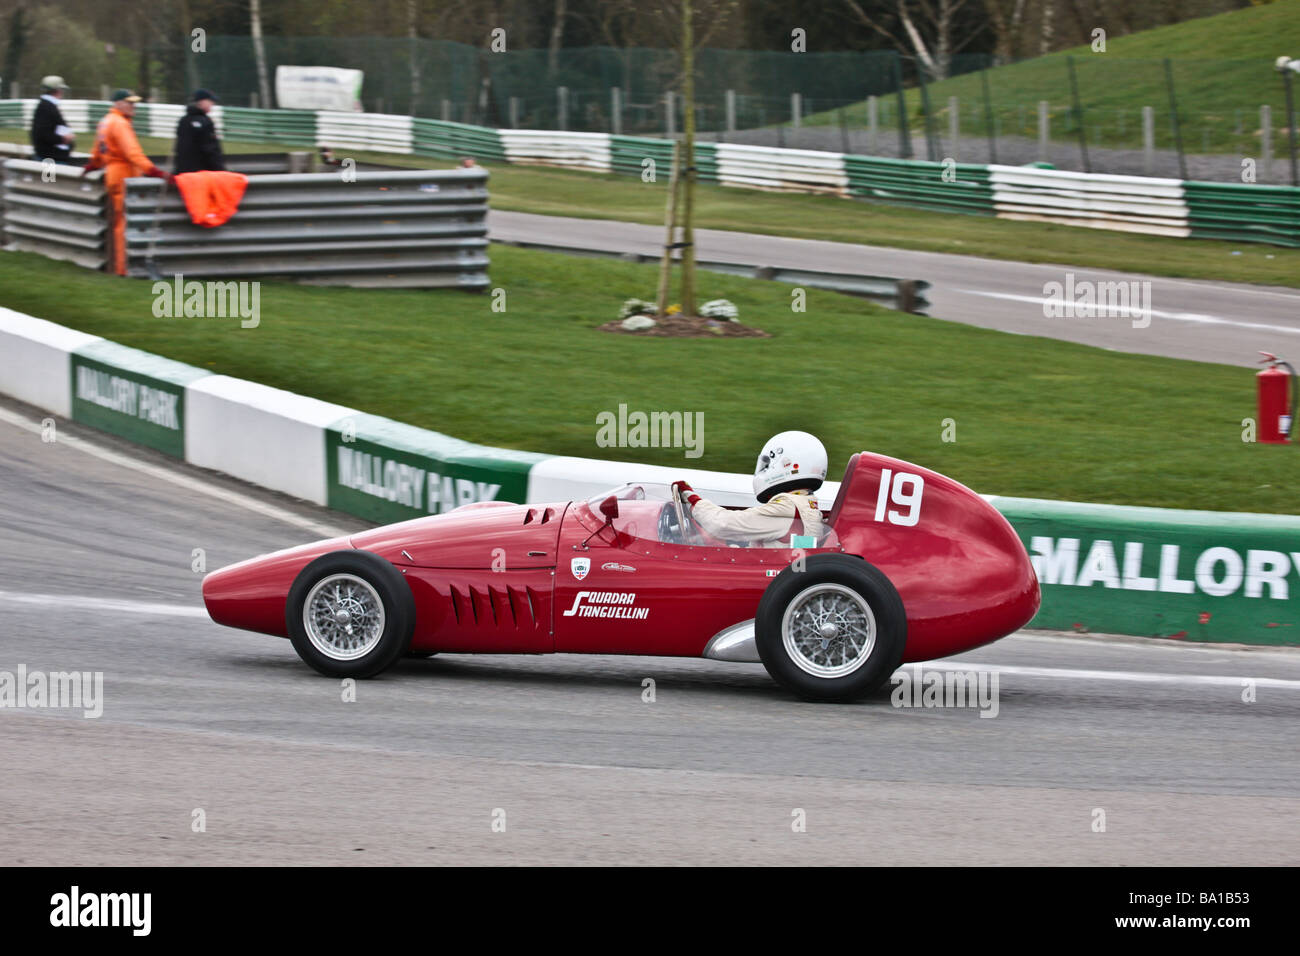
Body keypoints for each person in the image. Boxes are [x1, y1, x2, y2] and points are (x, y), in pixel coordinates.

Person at [672, 431, 828, 547]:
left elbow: (721, 524)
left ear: (789, 465)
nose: (765, 469)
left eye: (768, 464)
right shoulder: (805, 505)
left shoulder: (787, 507)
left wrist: (692, 500)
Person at [81, 89, 168, 276]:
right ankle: (123, 268)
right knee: (125, 223)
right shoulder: (120, 124)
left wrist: (91, 166)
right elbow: (133, 153)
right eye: (129, 102)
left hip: (113, 174)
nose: (133, 106)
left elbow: (97, 153)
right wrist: (153, 171)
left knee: (120, 221)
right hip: (124, 175)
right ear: (118, 103)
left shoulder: (105, 122)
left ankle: (121, 266)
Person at [172, 88, 225, 174]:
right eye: (210, 101)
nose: (212, 104)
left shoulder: (184, 120)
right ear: (202, 101)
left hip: (183, 174)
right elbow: (210, 150)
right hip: (202, 175)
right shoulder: (205, 122)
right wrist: (221, 170)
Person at [31, 75, 74, 162]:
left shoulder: (46, 106)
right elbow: (43, 134)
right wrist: (64, 139)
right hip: (50, 159)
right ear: (58, 90)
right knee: (49, 176)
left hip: (50, 156)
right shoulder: (47, 107)